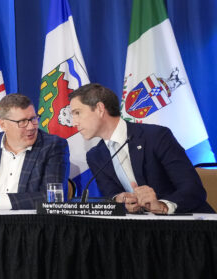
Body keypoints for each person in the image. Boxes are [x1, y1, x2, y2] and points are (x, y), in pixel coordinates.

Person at [69, 83, 213, 214]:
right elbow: (112, 195)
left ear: (100, 109)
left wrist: (162, 205)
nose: (74, 122)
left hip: (189, 225)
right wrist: (121, 201)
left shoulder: (156, 136)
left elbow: (193, 190)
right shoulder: (95, 156)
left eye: (77, 113)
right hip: (139, 230)